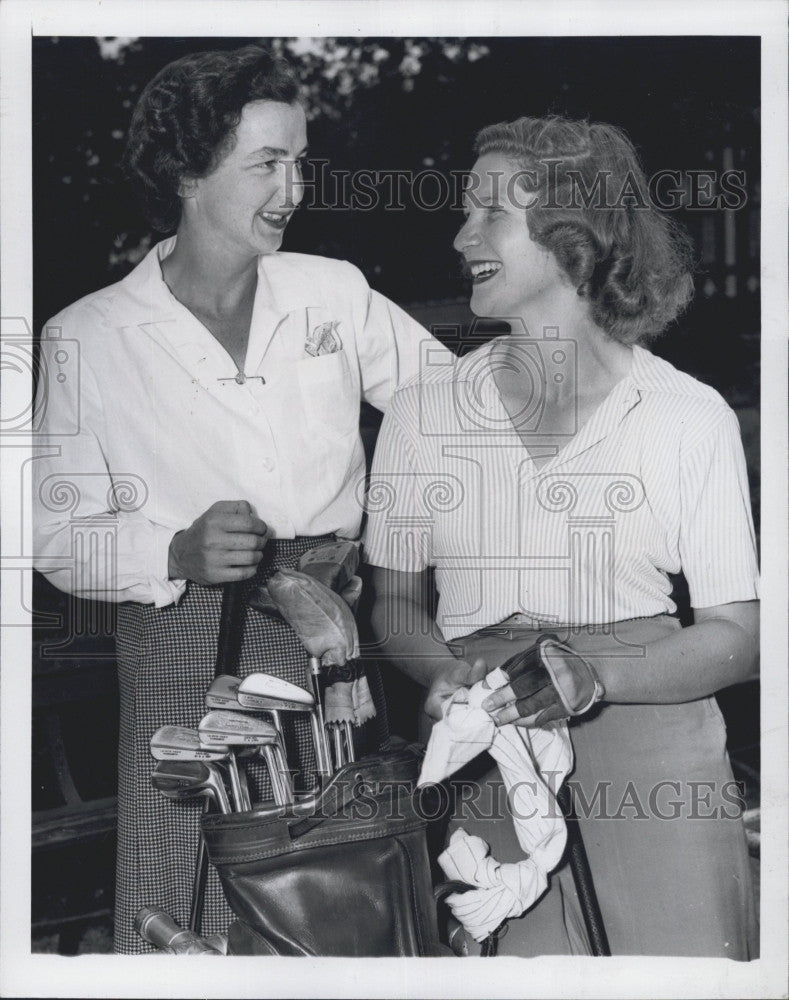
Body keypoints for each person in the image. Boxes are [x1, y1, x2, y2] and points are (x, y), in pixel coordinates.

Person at [32, 45, 444, 954]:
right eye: (266, 163)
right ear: (186, 173)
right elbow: (48, 530)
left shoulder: (331, 290)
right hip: (179, 643)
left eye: (299, 160)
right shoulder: (86, 336)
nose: (292, 187)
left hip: (327, 638)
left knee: (339, 888)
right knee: (182, 893)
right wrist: (167, 552)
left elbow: (448, 406)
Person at [363, 115, 759, 958]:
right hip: (494, 748)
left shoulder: (687, 417)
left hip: (654, 755)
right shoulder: (424, 409)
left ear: (573, 235)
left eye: (488, 213)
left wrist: (593, 673)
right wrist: (440, 671)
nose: (461, 233)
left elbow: (737, 638)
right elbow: (394, 602)